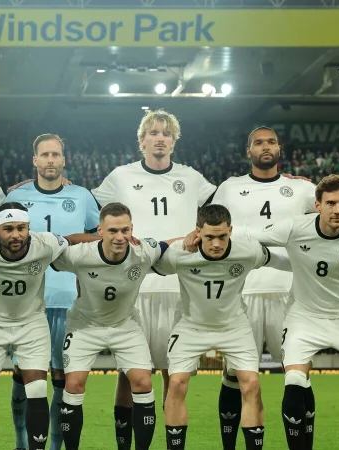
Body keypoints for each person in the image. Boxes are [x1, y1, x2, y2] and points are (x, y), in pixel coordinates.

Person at [220, 174, 339, 450]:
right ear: (317, 205)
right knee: (295, 379)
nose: (337, 210)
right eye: (330, 203)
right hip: (304, 317)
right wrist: (212, 232)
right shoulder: (295, 227)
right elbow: (252, 234)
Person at [91, 109, 218, 446]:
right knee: (129, 373)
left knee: (174, 375)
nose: (160, 138)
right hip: (134, 288)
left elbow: (223, 206)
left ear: (174, 142)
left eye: (166, 134)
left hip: (180, 289)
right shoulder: (120, 177)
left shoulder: (191, 178)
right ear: (141, 140)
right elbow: (91, 209)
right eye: (154, 133)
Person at [210, 126, 317, 449]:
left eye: (271, 142)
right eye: (258, 142)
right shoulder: (229, 188)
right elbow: (210, 228)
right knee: (235, 374)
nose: (265, 146)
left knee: (298, 374)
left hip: (291, 293)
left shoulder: (302, 189)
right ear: (249, 151)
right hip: (243, 294)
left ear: (279, 148)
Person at [156, 204, 292, 450]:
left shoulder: (248, 250)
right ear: (198, 232)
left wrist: (314, 263)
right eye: (209, 237)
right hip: (190, 327)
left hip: (234, 327)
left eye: (222, 236)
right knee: (176, 384)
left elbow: (280, 260)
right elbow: (146, 262)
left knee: (251, 384)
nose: (216, 244)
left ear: (230, 230)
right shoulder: (180, 253)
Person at [4, 133, 99, 450]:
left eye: (55, 154)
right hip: (26, 302)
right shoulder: (15, 197)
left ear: (63, 160)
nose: (50, 160)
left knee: (61, 375)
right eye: (44, 154)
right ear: (35, 160)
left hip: (67, 301)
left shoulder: (81, 196)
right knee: (24, 373)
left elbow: (99, 238)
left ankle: (56, 445)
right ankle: (21, 442)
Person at [52, 202, 173, 450]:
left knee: (143, 382)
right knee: (73, 384)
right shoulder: (80, 255)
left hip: (125, 325)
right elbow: (52, 248)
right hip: (85, 326)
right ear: (100, 231)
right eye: (113, 231)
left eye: (125, 230)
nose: (120, 237)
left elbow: (169, 245)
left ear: (132, 230)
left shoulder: (143, 252)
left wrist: (194, 236)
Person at [0, 201, 71, 450]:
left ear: (29, 227)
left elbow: (73, 240)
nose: (16, 234)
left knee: (37, 388)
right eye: (8, 229)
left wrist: (108, 238)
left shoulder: (46, 244)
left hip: (31, 323)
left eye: (21, 228)